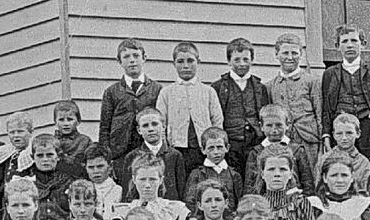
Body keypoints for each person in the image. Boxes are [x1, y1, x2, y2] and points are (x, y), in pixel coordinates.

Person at [156, 41, 223, 173]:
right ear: (173, 64)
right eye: (180, 61)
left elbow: (217, 122)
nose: (185, 66)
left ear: (198, 61)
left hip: (203, 149)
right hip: (177, 148)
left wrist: (214, 146)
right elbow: (160, 123)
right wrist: (165, 147)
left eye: (190, 61)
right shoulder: (167, 92)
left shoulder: (208, 91)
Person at [100, 38, 163, 176]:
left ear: (144, 58)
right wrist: (107, 157)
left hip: (148, 151)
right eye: (126, 57)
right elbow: (105, 127)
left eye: (136, 56)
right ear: (119, 61)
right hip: (120, 154)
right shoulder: (111, 92)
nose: (132, 60)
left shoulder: (156, 89)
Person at [211, 38, 271, 175]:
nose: (242, 64)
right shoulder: (219, 87)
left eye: (246, 59)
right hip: (231, 143)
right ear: (229, 61)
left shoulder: (260, 87)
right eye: (237, 60)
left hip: (255, 142)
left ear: (252, 60)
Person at [320, 24, 370, 159]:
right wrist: (326, 136)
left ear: (363, 44)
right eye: (345, 41)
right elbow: (327, 108)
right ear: (337, 46)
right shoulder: (330, 74)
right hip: (341, 131)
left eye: (354, 41)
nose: (349, 45)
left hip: (367, 129)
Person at [268, 33, 323, 170]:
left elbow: (320, 114)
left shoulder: (312, 82)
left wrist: (322, 144)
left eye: (294, 53)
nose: (290, 57)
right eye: (285, 53)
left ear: (301, 54)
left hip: (309, 141)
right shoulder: (270, 86)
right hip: (283, 141)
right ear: (276, 54)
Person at [257, 146, 316, 220]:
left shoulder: (300, 202)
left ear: (290, 174)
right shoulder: (257, 207)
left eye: (283, 169)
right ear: (262, 173)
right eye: (271, 169)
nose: (277, 174)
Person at [123, 157, 189, 220]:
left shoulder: (173, 208)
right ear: (134, 180)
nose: (147, 185)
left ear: (161, 180)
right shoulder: (126, 210)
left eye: (153, 179)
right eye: (142, 179)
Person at [244, 105, 318, 194]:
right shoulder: (256, 152)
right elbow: (249, 186)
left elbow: (307, 183)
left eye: (279, 125)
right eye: (269, 125)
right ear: (261, 126)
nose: (274, 130)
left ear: (287, 125)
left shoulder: (297, 150)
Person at [20, 134, 85, 220]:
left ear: (58, 156)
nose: (45, 159)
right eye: (40, 155)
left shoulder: (69, 182)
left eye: (50, 155)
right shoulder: (26, 183)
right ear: (32, 157)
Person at [121, 107, 187, 203]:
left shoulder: (175, 155)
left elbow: (181, 189)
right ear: (139, 130)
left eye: (155, 124)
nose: (151, 129)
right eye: (145, 126)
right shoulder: (132, 157)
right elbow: (127, 191)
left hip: (169, 209)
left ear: (164, 127)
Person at [316, 112, 370, 198]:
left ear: (358, 133)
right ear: (334, 135)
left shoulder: (363, 162)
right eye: (339, 133)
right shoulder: (325, 159)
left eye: (349, 133)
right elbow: (319, 188)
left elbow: (365, 191)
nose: (344, 138)